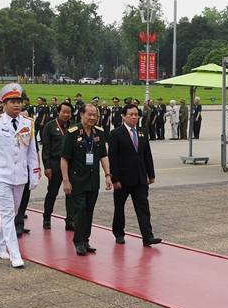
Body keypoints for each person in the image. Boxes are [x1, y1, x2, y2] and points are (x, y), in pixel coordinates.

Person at [0, 83, 40, 269]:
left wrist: (34, 173)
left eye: (19, 101)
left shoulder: (27, 123)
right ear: (4, 104)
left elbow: (31, 152)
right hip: (0, 174)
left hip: (19, 175)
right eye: (12, 101)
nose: (16, 105)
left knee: (11, 213)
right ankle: (15, 253)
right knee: (6, 213)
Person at [61, 103, 112, 256]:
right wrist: (66, 180)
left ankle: (86, 240)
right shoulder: (72, 133)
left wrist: (108, 175)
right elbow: (64, 158)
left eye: (94, 115)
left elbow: (103, 155)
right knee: (80, 211)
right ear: (81, 115)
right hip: (76, 180)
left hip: (92, 180)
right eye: (88, 114)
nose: (92, 118)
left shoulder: (99, 133)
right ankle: (78, 241)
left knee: (89, 211)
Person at [108, 103, 161, 247]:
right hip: (123, 179)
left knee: (143, 208)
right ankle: (119, 233)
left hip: (139, 178)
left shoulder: (142, 132)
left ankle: (147, 236)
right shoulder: (116, 133)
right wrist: (115, 179)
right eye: (131, 114)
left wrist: (151, 174)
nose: (134, 117)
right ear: (123, 116)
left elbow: (147, 155)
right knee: (119, 208)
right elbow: (112, 158)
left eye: (136, 114)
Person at [41, 101, 75, 230]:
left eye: (68, 113)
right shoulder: (50, 126)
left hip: (70, 164)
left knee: (71, 193)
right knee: (52, 193)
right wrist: (47, 166)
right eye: (63, 112)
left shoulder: (74, 127)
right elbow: (46, 148)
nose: (66, 115)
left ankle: (70, 220)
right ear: (58, 112)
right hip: (55, 163)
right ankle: (47, 218)